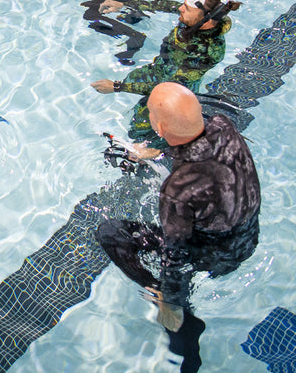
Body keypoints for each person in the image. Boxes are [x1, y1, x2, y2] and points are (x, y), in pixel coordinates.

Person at [96, 83, 260, 372]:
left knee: (110, 233)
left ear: (159, 126)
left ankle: (178, 321)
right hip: (247, 235)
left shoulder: (178, 190)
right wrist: (156, 151)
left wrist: (170, 304)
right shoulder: (224, 125)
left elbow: (176, 256)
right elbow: (196, 143)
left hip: (214, 253)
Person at [91, 0, 242, 145]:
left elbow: (168, 86)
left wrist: (117, 87)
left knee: (143, 123)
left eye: (186, 8)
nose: (180, 9)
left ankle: (151, 148)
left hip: (175, 92)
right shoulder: (197, 20)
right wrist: (127, 4)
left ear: (207, 20)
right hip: (160, 68)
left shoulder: (207, 52)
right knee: (135, 84)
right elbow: (169, 5)